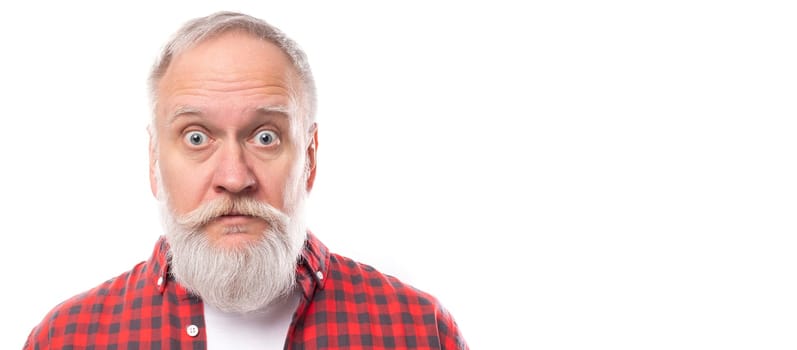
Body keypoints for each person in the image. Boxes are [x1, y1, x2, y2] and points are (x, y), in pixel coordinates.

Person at [23, 11, 467, 349]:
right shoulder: (67, 337)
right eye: (196, 137)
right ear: (154, 162)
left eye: (265, 136)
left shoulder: (417, 330)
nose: (234, 177)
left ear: (309, 159)